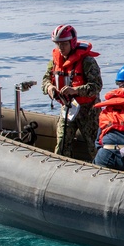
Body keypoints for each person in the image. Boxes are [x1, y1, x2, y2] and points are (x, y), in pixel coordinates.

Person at [41, 24, 103, 160]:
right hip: (68, 108)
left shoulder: (88, 61)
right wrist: (49, 88)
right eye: (58, 44)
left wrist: (75, 90)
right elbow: (45, 80)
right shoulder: (54, 62)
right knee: (62, 143)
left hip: (89, 111)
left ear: (72, 42)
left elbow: (96, 86)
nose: (61, 48)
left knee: (94, 146)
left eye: (64, 44)